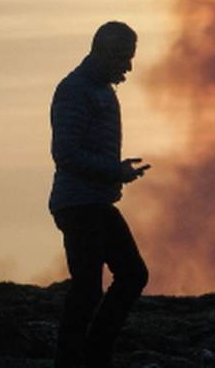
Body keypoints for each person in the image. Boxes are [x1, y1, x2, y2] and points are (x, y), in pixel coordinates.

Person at [48, 21, 151, 368]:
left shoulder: (101, 91)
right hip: (79, 204)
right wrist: (114, 171)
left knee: (115, 279)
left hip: (92, 201)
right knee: (98, 284)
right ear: (103, 52)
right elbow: (66, 152)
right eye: (123, 57)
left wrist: (116, 170)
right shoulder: (75, 90)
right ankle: (82, 358)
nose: (128, 66)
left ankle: (88, 355)